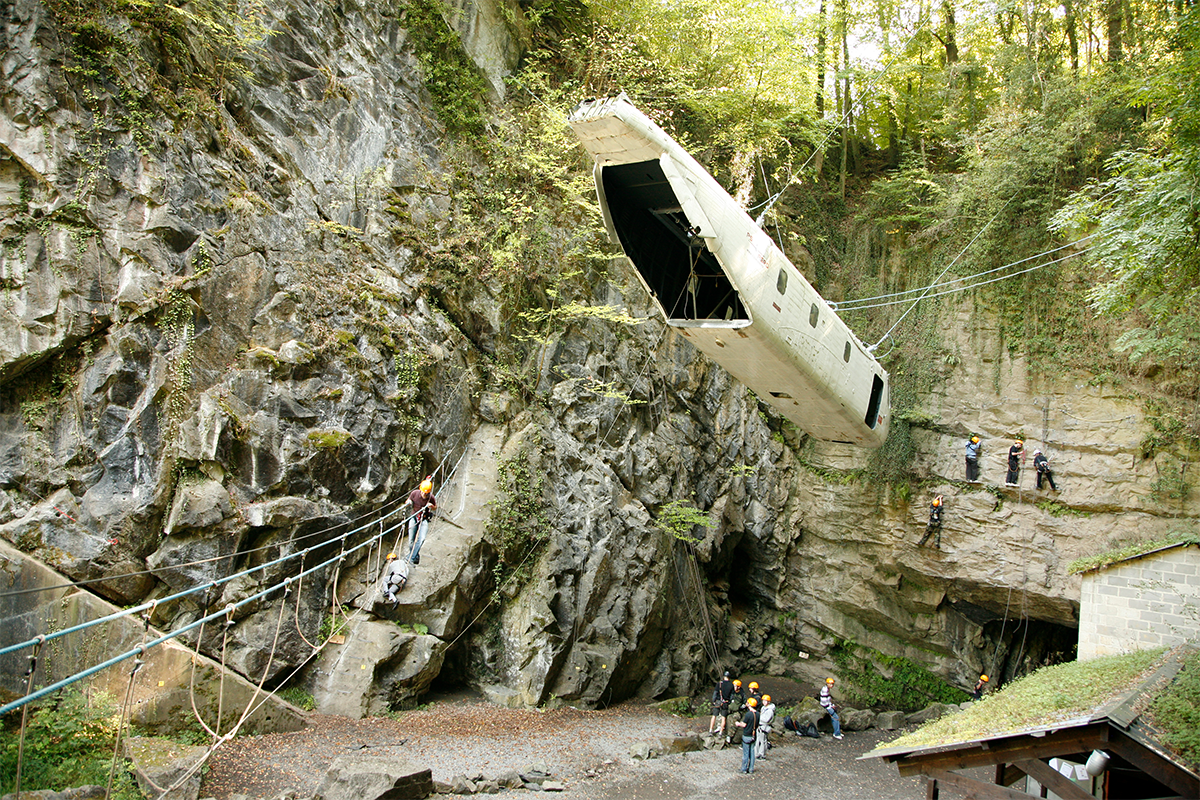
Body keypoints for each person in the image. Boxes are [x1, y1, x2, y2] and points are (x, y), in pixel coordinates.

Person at [407, 476, 438, 565]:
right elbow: (408, 500)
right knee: (411, 541)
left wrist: (431, 506)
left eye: (426, 493)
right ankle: (414, 556)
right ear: (420, 490)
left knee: (422, 539)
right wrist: (409, 502)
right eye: (423, 493)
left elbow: (435, 507)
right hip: (414, 517)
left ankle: (411, 558)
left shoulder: (431, 497)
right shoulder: (414, 494)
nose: (425, 495)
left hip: (424, 519)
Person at [735, 696, 760, 773]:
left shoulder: (748, 714)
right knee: (752, 753)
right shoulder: (758, 714)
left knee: (746, 753)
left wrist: (738, 724)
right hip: (753, 735)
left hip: (747, 735)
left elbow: (744, 725)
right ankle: (751, 768)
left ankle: (744, 769)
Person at [755, 694, 775, 760]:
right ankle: (757, 753)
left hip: (764, 727)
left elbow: (766, 720)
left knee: (763, 741)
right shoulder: (763, 708)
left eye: (765, 701)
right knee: (758, 740)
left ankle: (762, 754)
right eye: (763, 701)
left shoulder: (770, 711)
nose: (763, 702)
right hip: (760, 726)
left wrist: (759, 717)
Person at [726, 680, 745, 744]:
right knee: (727, 718)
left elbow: (745, 702)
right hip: (729, 710)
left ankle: (730, 735)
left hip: (737, 712)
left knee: (734, 720)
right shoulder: (731, 692)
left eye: (735, 686)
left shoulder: (742, 694)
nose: (734, 687)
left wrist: (741, 707)